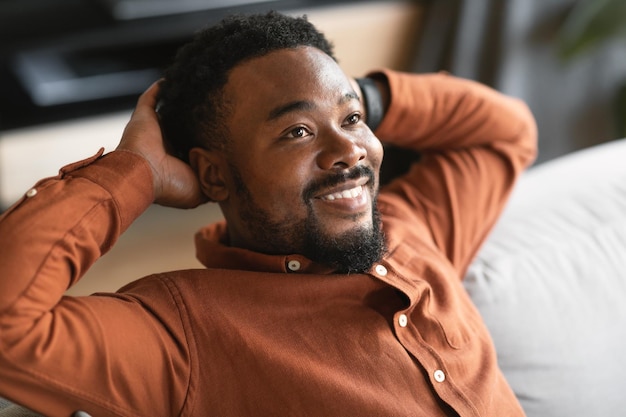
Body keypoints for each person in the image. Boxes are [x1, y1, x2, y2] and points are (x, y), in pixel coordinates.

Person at [0, 11, 537, 417]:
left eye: (351, 120)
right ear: (214, 175)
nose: (349, 150)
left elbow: (505, 132)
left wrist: (370, 96)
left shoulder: (411, 227)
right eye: (297, 131)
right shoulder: (183, 335)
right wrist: (133, 174)